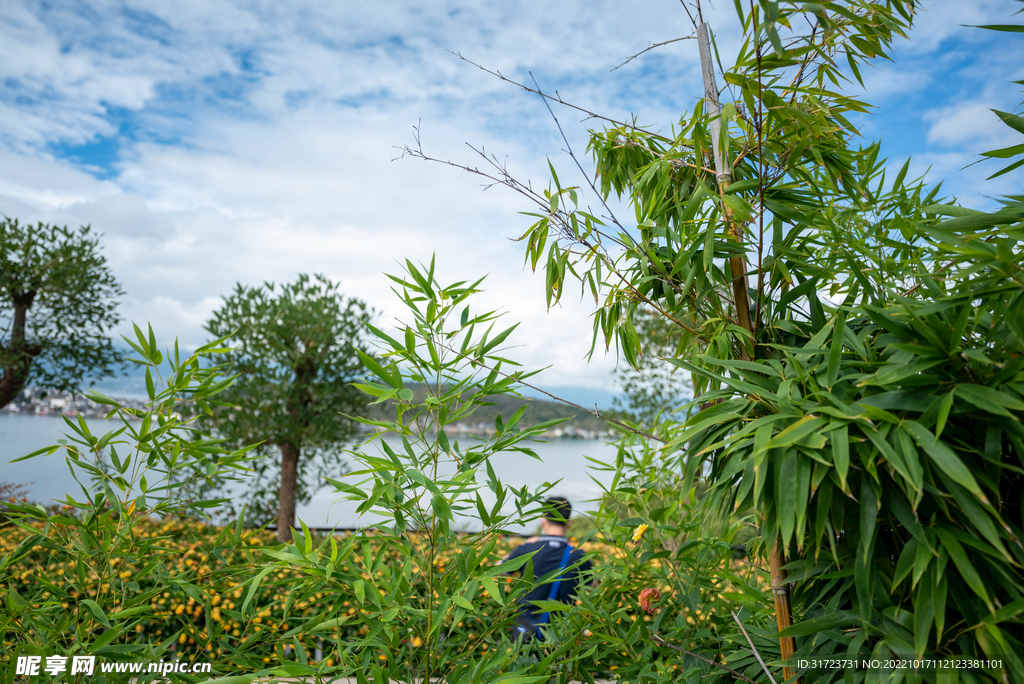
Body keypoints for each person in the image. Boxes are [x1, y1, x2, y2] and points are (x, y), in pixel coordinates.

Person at [502, 496, 593, 641]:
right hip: (561, 636)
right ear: (569, 523)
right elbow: (595, 587)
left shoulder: (527, 550)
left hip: (524, 633)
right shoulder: (580, 557)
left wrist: (521, 546)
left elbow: (498, 570)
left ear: (542, 519)